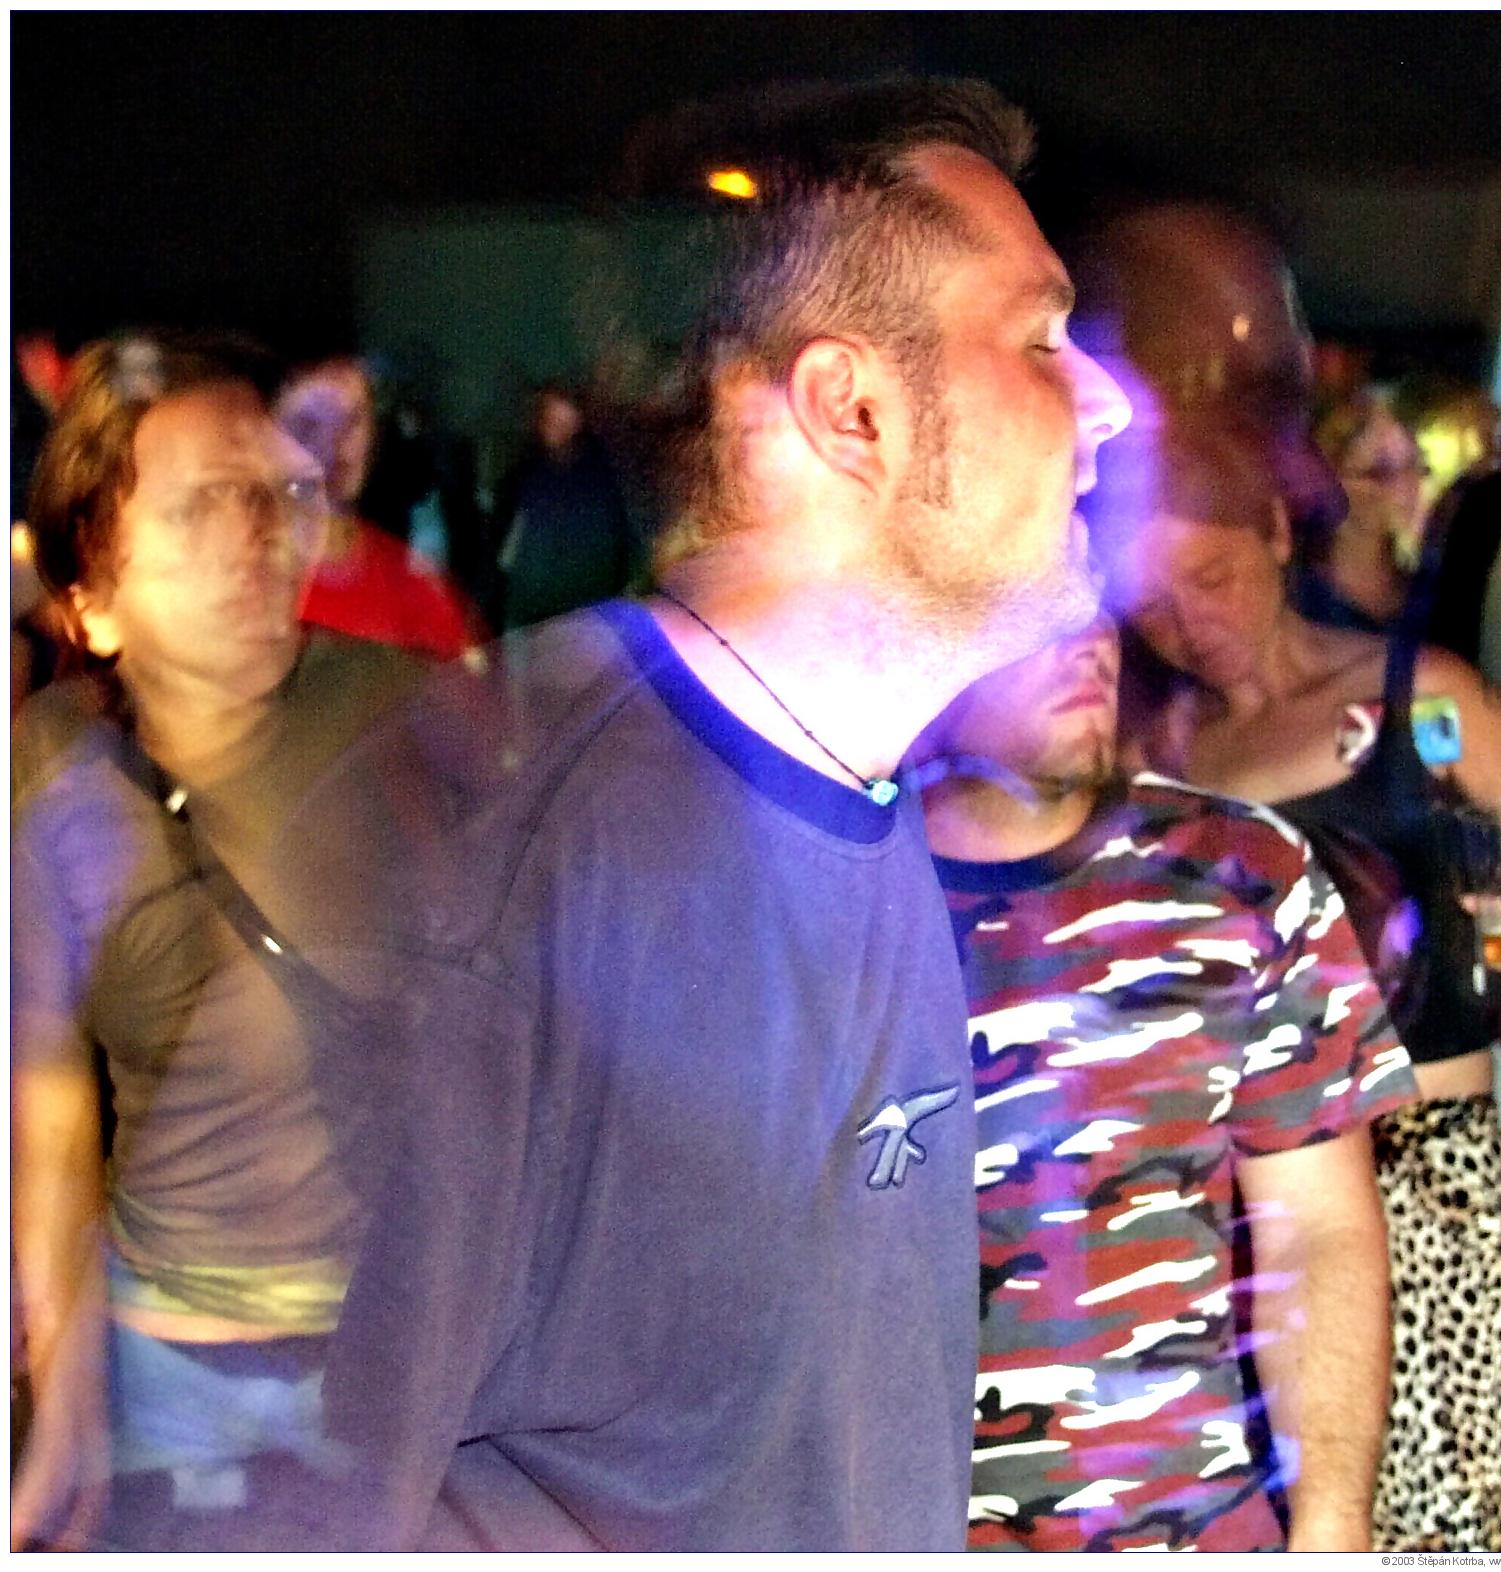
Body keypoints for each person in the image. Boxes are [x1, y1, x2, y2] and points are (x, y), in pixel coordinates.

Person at [302, 76, 1131, 1551]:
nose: (1111, 401)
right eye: (1040, 339)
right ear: (851, 411)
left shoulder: (852, 784)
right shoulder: (474, 872)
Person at [1096, 422, 1501, 1551]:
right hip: (1251, 1203)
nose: (1188, 621)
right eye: (1154, 603)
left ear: (1273, 530)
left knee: (1462, 1521)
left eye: (1209, 577)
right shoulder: (1158, 755)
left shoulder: (1417, 700)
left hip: (1430, 1179)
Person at [11, 333, 428, 1550]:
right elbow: (49, 1097)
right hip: (170, 1373)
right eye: (198, 507)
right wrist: (66, 1397)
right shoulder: (50, 768)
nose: (254, 533)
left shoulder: (408, 716)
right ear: (92, 603)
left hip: (396, 1351)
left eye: (269, 491)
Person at [910, 614, 1414, 1551]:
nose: (1085, 639)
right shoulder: (823, 888)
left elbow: (1320, 1230)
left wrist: (1332, 1521)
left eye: (1090, 597)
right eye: (1036, 611)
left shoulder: (1243, 869)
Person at [275, 356, 478, 659]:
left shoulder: (416, 589)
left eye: (352, 420)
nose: (335, 442)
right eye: (311, 423)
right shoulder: (237, 581)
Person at [491, 384, 639, 630]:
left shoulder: (598, 480)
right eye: (548, 419)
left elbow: (608, 552)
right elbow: (509, 538)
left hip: (570, 616)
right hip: (524, 607)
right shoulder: (528, 470)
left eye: (561, 421)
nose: (552, 428)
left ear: (578, 422)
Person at [1302, 387, 1433, 632]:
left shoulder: (1434, 590)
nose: (1408, 487)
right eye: (1381, 472)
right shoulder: (1297, 601)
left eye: (1414, 464)